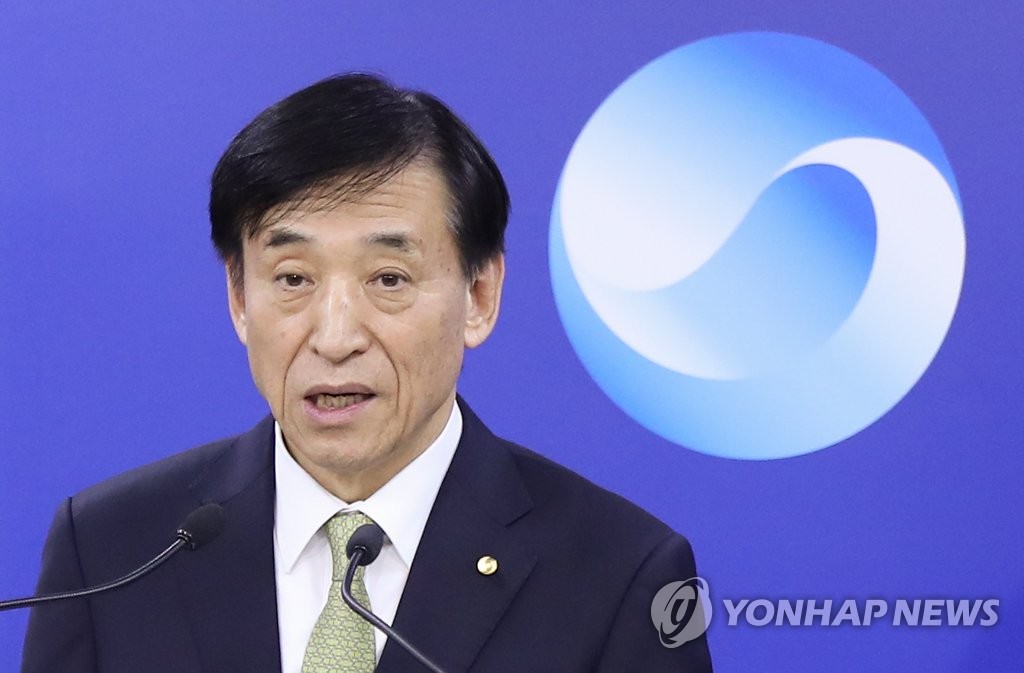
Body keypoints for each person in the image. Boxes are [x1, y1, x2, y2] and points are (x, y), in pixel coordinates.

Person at [21, 74, 712, 673]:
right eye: (293, 278)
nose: (335, 337)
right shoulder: (110, 551)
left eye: (388, 278)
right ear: (238, 298)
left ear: (479, 296)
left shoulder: (621, 574)